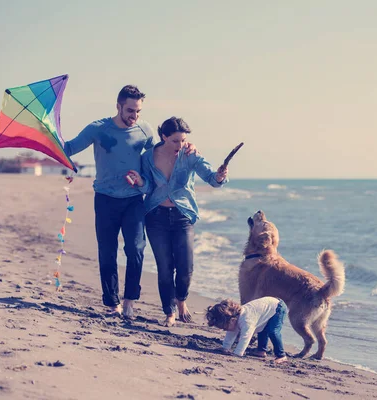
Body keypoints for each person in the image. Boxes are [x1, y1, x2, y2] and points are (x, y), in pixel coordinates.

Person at [63, 86, 196, 318]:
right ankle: (112, 302)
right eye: (130, 110)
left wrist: (186, 146)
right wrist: (50, 138)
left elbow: (159, 153)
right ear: (118, 106)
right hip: (105, 199)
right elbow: (70, 148)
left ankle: (129, 300)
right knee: (107, 251)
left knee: (136, 249)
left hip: (134, 200)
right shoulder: (98, 129)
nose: (135, 116)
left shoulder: (143, 129)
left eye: (138, 111)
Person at [131, 116, 228, 327]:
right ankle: (169, 312)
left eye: (183, 140)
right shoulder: (148, 157)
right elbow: (148, 186)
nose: (180, 145)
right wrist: (140, 182)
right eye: (175, 140)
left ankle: (181, 299)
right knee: (165, 267)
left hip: (183, 216)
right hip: (156, 216)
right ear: (164, 137)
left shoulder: (190, 155)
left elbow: (212, 178)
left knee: (185, 267)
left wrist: (220, 176)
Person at [205, 297, 288, 364]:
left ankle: (281, 356)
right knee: (263, 330)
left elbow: (245, 337)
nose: (224, 330)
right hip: (267, 307)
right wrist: (225, 347)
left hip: (277, 307)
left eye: (224, 327)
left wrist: (238, 353)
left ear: (232, 320)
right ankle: (261, 351)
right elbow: (231, 333)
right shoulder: (235, 319)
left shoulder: (247, 321)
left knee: (272, 331)